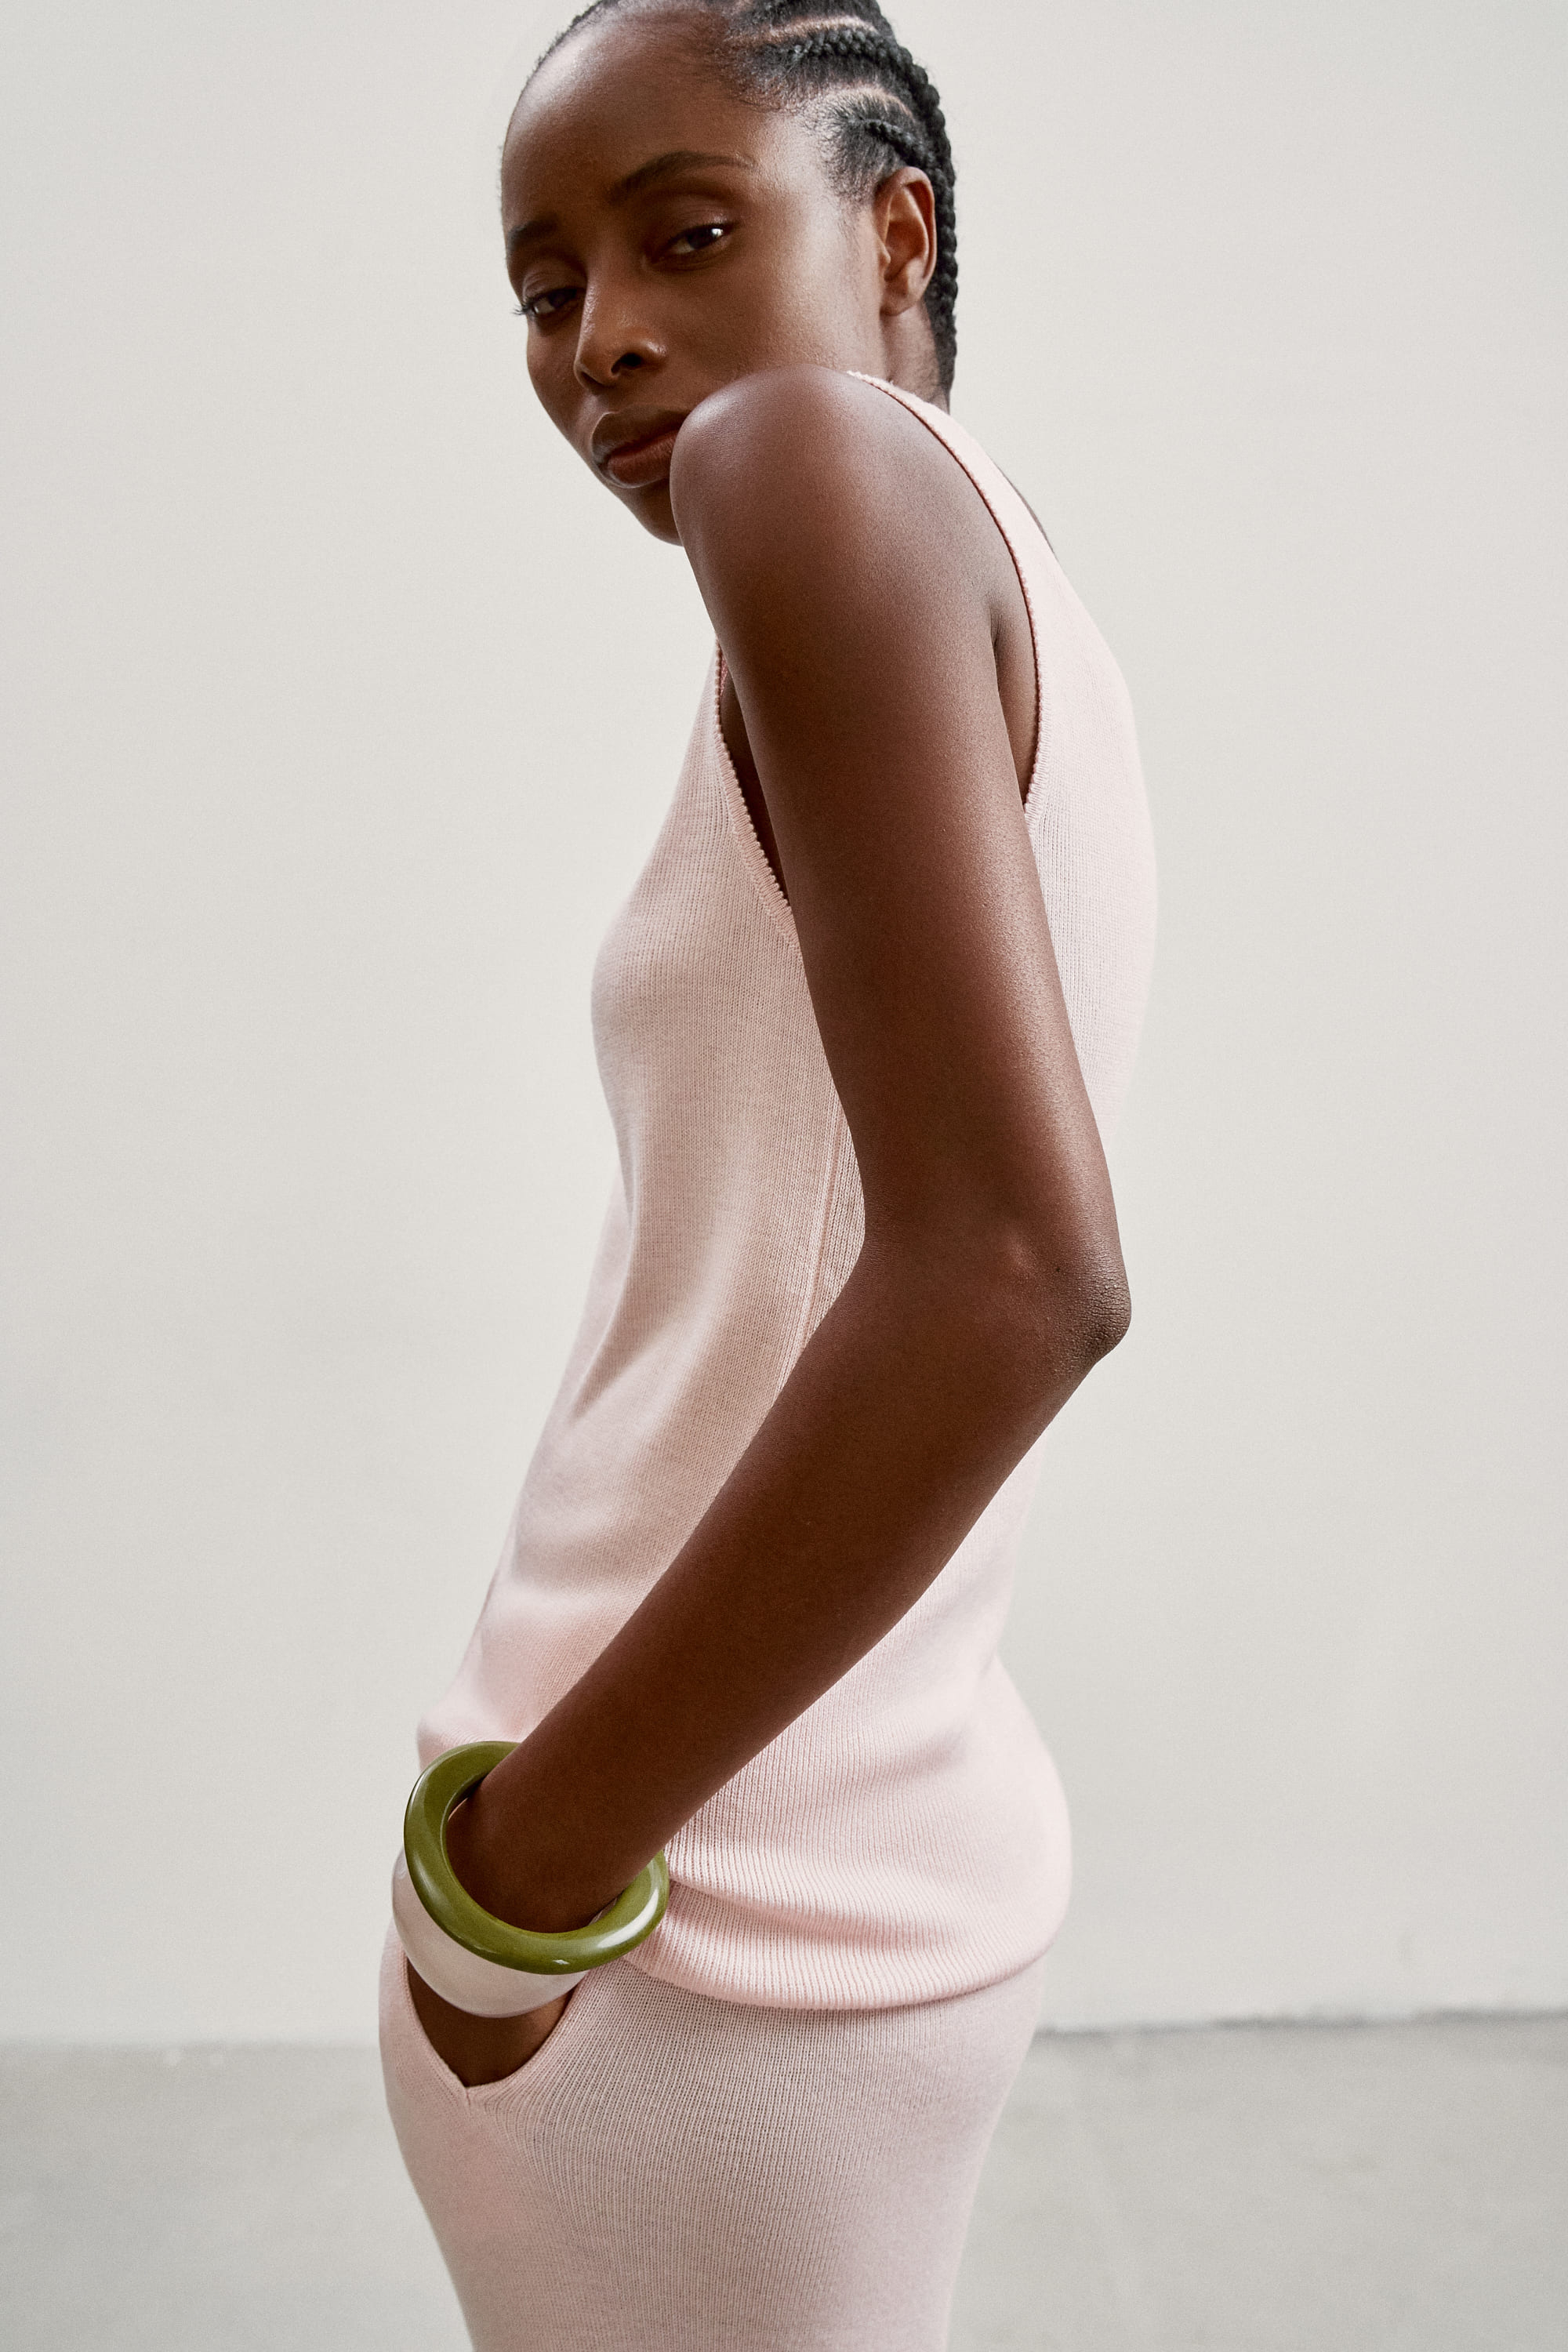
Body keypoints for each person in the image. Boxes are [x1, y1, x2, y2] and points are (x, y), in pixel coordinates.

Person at [379, 2, 1157, 2345]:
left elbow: (1014, 1277)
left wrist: (525, 1877)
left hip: (706, 1924)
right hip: (824, 1864)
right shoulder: (994, 568)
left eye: (687, 235)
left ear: (894, 229)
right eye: (544, 291)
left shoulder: (805, 465)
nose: (603, 341)